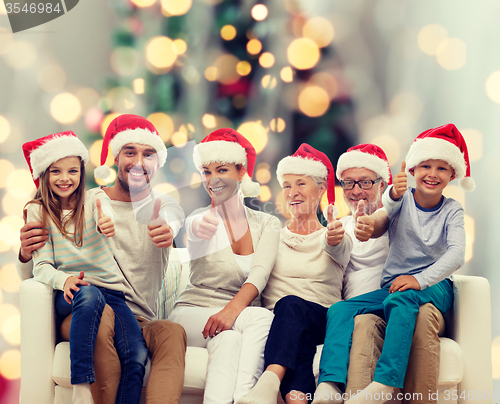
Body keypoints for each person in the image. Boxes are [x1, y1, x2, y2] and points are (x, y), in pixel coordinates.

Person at [17, 115, 187, 404]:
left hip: (137, 317)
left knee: (172, 332)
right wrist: (24, 253)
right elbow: (37, 272)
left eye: (149, 154)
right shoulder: (85, 202)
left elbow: (173, 219)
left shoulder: (163, 205)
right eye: (130, 152)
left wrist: (167, 229)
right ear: (116, 157)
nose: (139, 162)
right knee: (103, 316)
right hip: (85, 310)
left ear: (158, 163)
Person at [315, 124, 474, 404]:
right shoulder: (400, 200)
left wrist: (419, 280)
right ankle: (329, 385)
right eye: (425, 165)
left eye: (441, 168)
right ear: (410, 169)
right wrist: (367, 226)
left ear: (452, 175)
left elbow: (457, 255)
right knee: (341, 309)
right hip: (396, 289)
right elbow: (381, 219)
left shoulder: (453, 210)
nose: (432, 174)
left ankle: (386, 383)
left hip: (435, 287)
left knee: (401, 299)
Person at [168, 128, 280, 404]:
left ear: (241, 172)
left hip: (230, 322)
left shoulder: (267, 223)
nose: (213, 179)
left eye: (222, 169)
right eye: (206, 172)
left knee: (229, 341)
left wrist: (230, 312)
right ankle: (248, 398)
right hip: (192, 314)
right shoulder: (200, 218)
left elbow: (260, 273)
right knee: (262, 317)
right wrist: (196, 227)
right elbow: (193, 230)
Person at [236, 143, 352, 404]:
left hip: (321, 319)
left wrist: (333, 236)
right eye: (287, 185)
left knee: (289, 305)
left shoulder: (334, 234)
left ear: (321, 188)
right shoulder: (271, 235)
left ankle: (270, 379)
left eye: (301, 183)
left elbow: (338, 247)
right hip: (280, 326)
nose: (292, 192)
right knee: (294, 330)